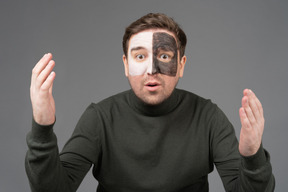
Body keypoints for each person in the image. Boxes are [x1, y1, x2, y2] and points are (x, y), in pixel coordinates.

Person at [26, 13, 275, 192]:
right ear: (125, 64)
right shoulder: (100, 118)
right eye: (140, 56)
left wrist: (253, 156)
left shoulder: (208, 117)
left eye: (164, 56)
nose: (152, 69)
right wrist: (42, 127)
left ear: (181, 66)